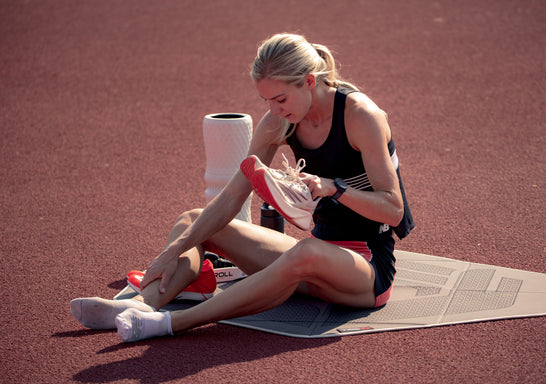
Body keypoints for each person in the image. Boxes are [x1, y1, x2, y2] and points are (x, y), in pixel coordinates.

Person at [70, 33, 414, 342]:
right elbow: (232, 196)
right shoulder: (280, 120)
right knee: (193, 221)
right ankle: (143, 305)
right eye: (265, 101)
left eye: (280, 100)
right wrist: (171, 252)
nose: (273, 111)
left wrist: (333, 188)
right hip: (313, 255)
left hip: (365, 267)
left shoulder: (361, 116)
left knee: (304, 253)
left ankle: (173, 323)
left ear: (309, 81)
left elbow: (392, 207)